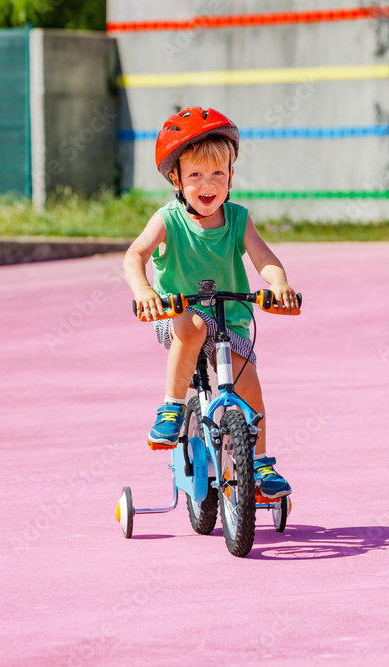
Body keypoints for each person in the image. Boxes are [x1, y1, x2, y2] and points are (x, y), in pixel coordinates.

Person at [122, 106, 298, 499]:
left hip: (229, 323)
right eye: (196, 175)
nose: (208, 183)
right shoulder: (168, 220)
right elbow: (133, 257)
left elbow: (264, 259)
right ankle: (170, 408)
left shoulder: (238, 220)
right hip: (177, 318)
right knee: (195, 325)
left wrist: (280, 283)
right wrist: (145, 292)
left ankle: (259, 463)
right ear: (176, 179)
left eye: (218, 173)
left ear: (231, 176)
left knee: (249, 383)